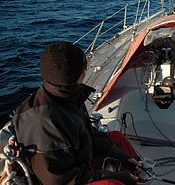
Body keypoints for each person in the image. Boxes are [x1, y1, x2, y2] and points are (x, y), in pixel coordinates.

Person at [12, 41, 143, 185]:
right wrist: (117, 177)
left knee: (117, 139)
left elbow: (86, 134)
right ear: (77, 73)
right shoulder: (43, 123)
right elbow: (61, 179)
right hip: (63, 178)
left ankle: (139, 175)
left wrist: (122, 156)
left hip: (77, 158)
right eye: (84, 67)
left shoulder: (66, 96)